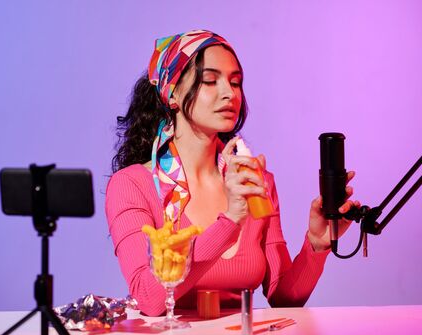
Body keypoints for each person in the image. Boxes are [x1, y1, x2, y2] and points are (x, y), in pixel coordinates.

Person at [105, 30, 359, 316]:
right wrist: (230, 221)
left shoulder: (254, 180)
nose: (230, 93)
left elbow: (283, 299)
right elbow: (149, 299)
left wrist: (316, 244)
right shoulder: (132, 185)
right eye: (210, 81)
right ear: (172, 94)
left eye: (235, 82)